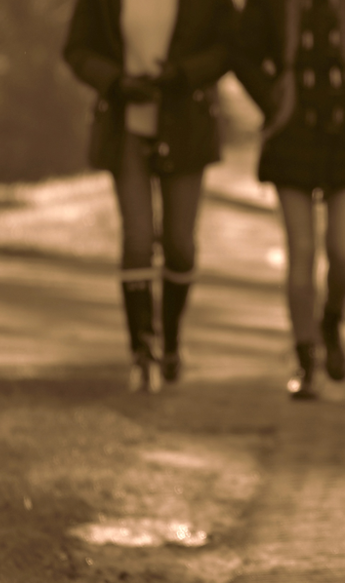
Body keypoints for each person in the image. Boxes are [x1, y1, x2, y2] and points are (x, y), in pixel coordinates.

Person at [64, 0, 236, 392]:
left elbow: (228, 48)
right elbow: (76, 49)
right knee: (137, 239)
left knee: (179, 244)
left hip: (186, 123)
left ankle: (171, 341)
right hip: (125, 122)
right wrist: (115, 81)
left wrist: (183, 75)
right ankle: (142, 351)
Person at [233, 0, 345, 400]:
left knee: (342, 251)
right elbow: (242, 53)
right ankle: (306, 363)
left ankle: (331, 323)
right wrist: (273, 102)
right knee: (300, 249)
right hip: (291, 131)